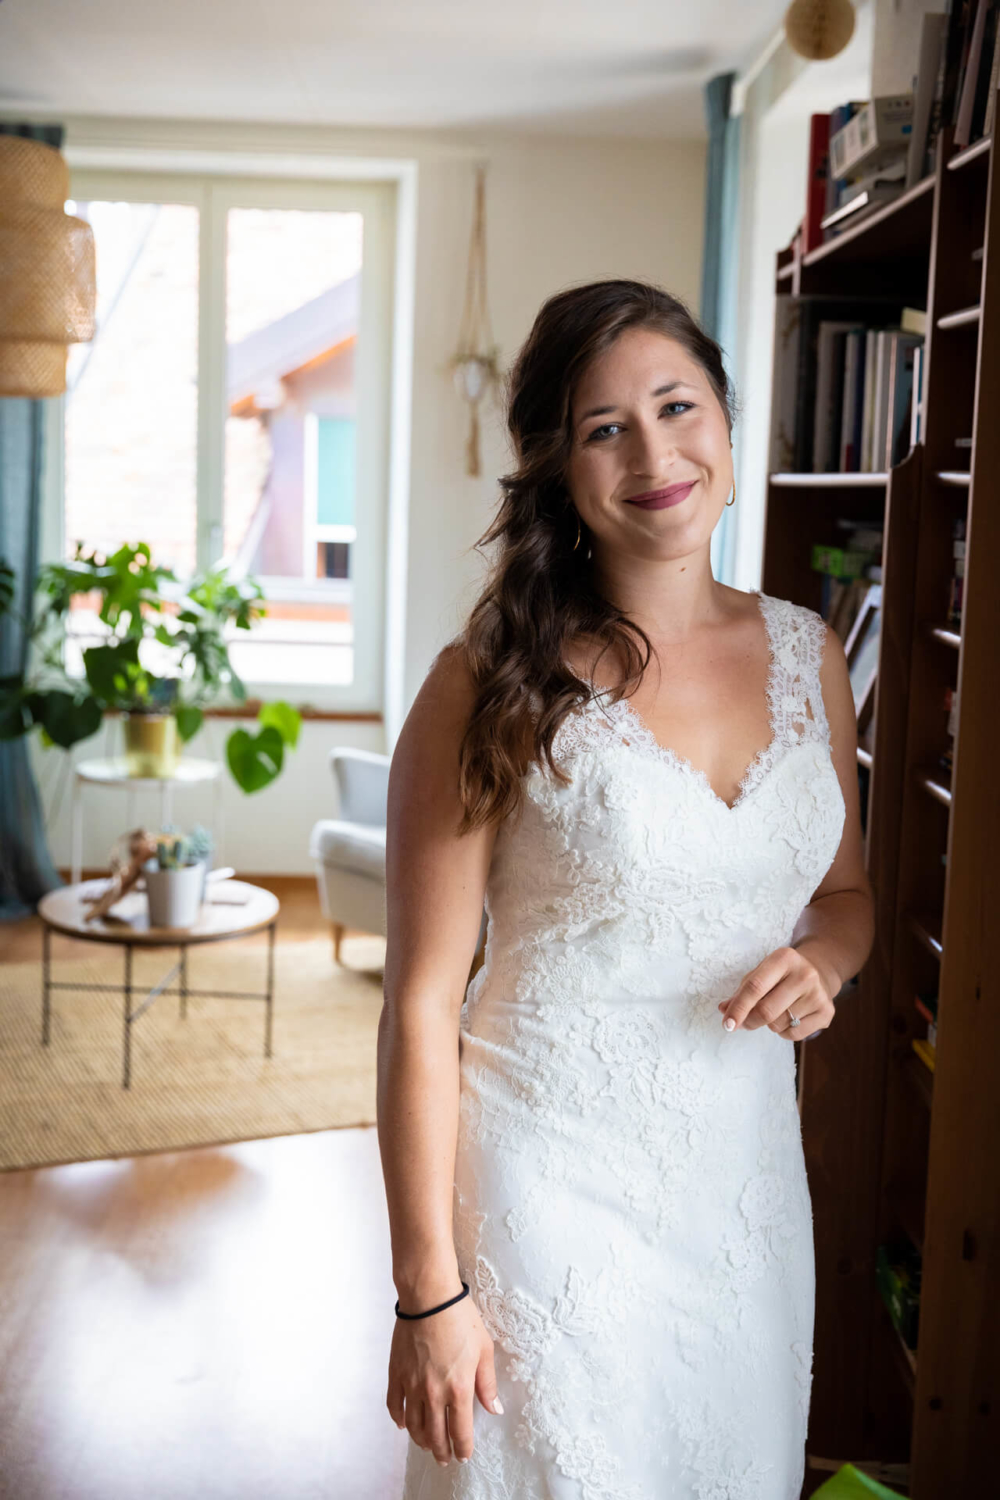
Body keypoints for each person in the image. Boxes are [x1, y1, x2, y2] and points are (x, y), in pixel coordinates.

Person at [377, 278, 875, 1498]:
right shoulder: (485, 681)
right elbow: (419, 1005)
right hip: (542, 1193)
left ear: (723, 416)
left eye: (676, 405)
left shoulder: (811, 651)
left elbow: (850, 899)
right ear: (557, 465)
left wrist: (824, 966)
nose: (654, 453)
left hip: (742, 1192)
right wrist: (427, 1289)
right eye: (606, 428)